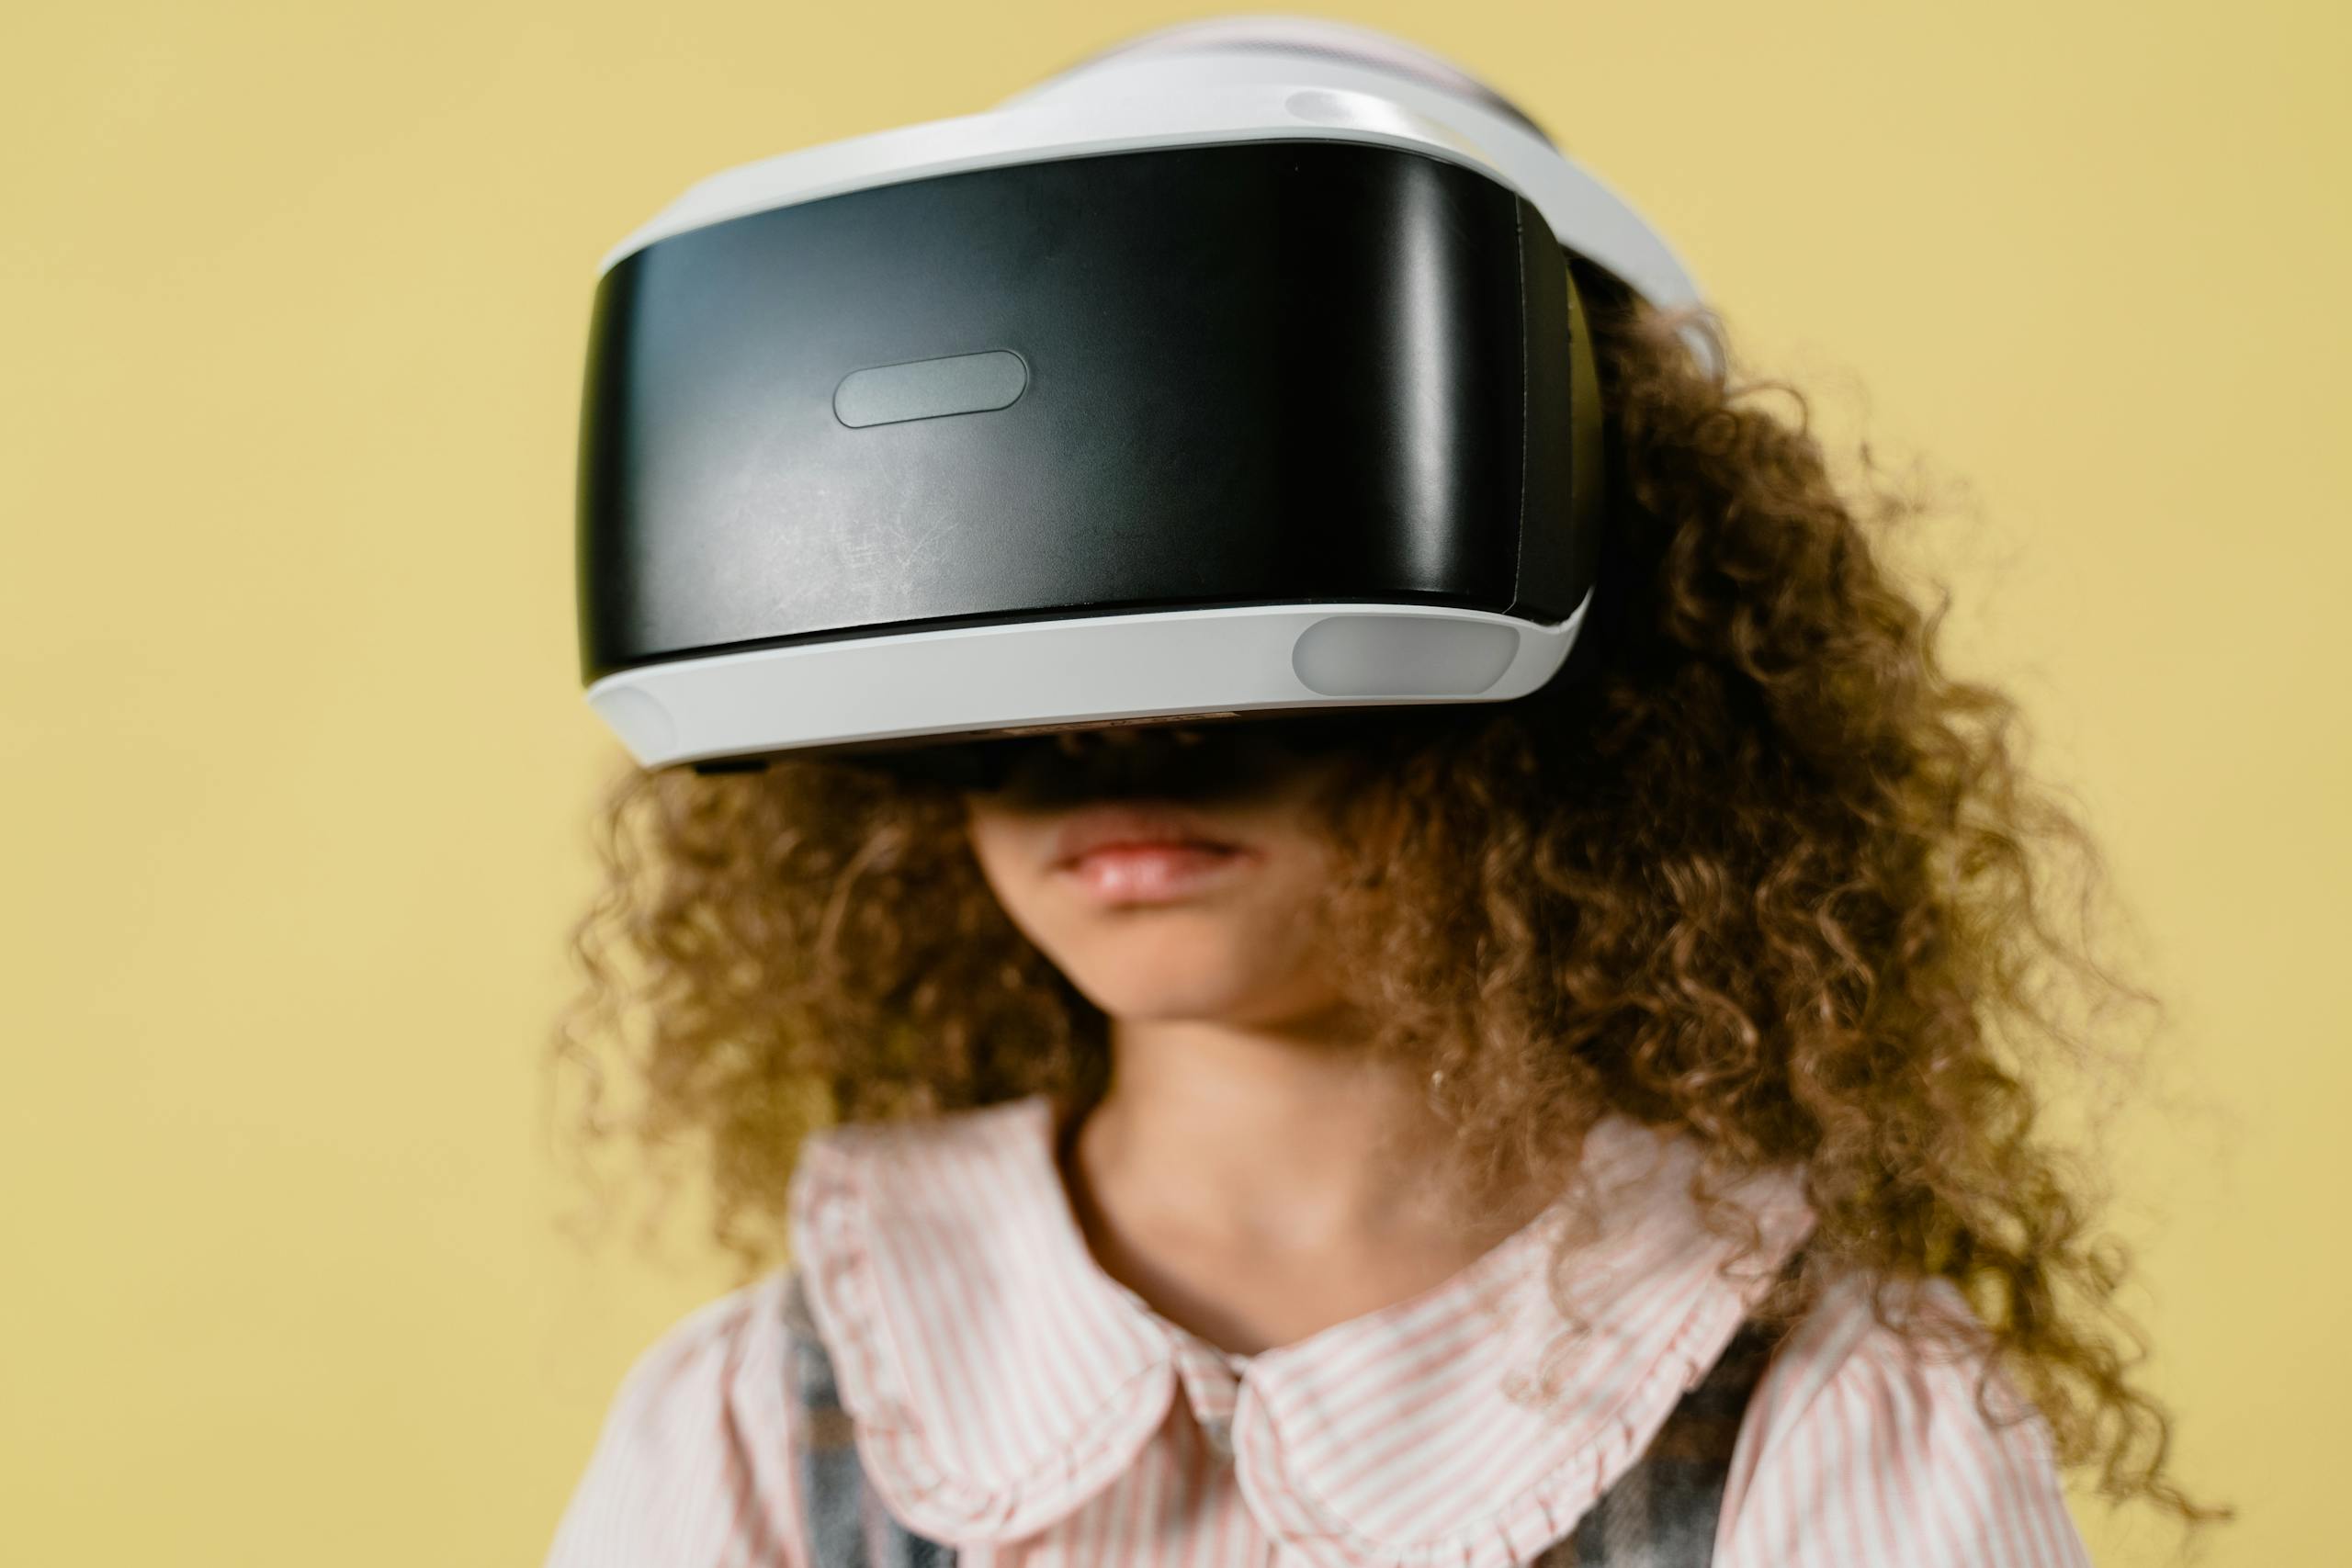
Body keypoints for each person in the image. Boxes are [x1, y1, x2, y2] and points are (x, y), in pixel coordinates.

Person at [542, 26, 2224, 1568]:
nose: (1110, 749)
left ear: (1609, 657)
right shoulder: (760, 1420)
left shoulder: (1836, 1401)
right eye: (1006, 703)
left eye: (1232, 680)